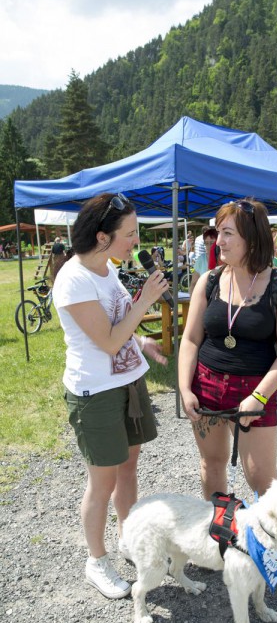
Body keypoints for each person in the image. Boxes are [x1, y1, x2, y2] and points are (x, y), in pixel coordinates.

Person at [52, 192, 170, 600]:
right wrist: (145, 301)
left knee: (128, 467)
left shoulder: (107, 269)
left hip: (128, 383)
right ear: (102, 237)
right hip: (95, 393)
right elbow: (106, 341)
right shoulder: (74, 279)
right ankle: (96, 561)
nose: (136, 242)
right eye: (130, 234)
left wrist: (141, 342)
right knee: (102, 482)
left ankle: (127, 538)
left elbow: (119, 325)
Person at [178, 198, 277, 585]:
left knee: (261, 476)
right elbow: (190, 339)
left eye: (227, 233)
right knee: (212, 464)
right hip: (207, 386)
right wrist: (184, 387)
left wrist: (259, 397)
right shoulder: (209, 280)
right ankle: (220, 536)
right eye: (217, 232)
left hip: (256, 390)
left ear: (252, 237)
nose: (218, 241)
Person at [190, 227, 218, 292]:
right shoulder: (201, 259)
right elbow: (193, 284)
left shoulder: (224, 259)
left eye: (212, 243)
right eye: (206, 243)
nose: (209, 246)